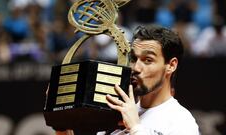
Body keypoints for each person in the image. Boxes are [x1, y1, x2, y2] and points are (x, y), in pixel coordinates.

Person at [55, 24, 200, 135]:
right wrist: (61, 124)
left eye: (148, 60)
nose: (135, 68)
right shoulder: (115, 114)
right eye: (133, 58)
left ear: (171, 65)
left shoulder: (181, 122)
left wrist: (136, 128)